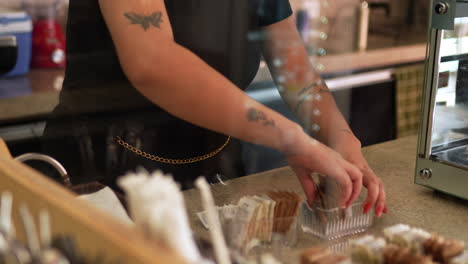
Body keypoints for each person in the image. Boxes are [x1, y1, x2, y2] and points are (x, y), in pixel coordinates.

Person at [44, 0, 387, 217]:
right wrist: (293, 140)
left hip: (214, 176)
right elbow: (153, 63)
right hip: (102, 175)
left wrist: (341, 139)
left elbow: (294, 67)